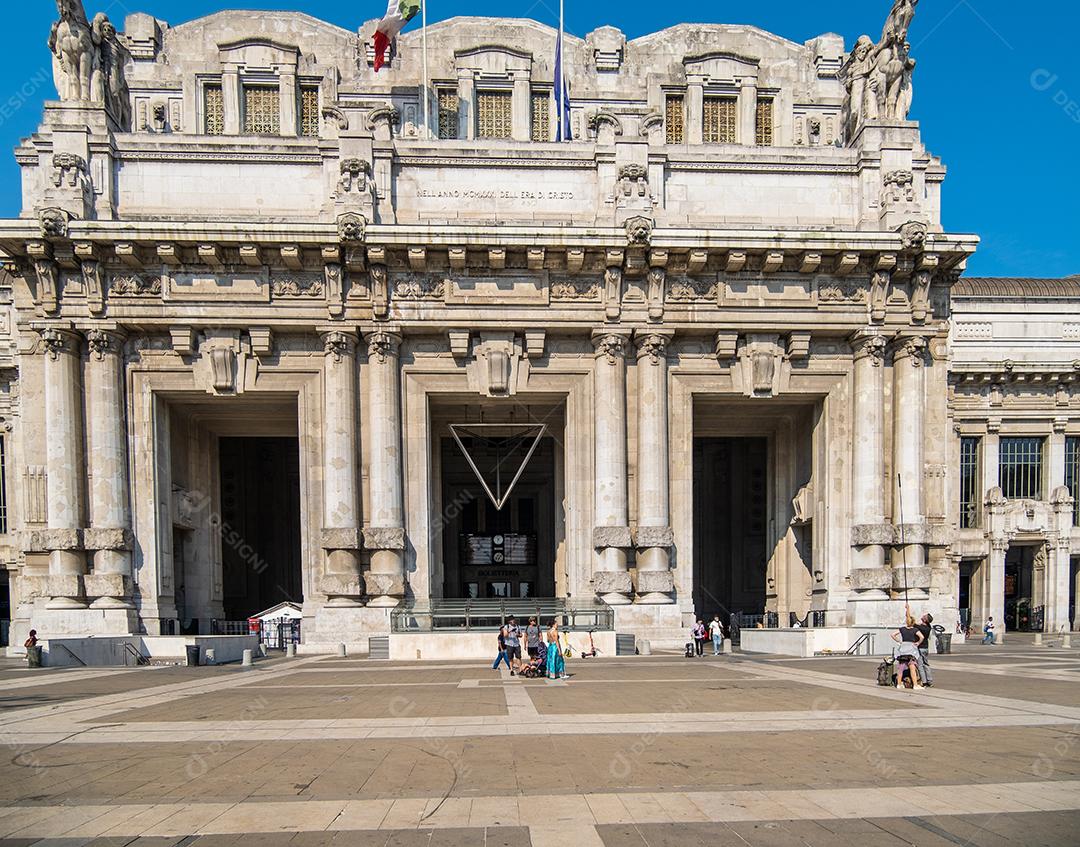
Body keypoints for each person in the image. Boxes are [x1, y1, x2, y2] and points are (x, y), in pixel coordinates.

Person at [891, 621, 924, 689]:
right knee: (912, 667)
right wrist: (918, 642)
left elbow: (892, 634)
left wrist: (899, 641)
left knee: (901, 669)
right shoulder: (915, 630)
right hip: (911, 649)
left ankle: (899, 684)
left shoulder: (902, 629)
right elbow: (922, 637)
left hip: (903, 649)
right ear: (913, 622)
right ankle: (915, 685)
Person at [913, 609, 935, 687]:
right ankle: (930, 681)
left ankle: (924, 681)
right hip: (925, 648)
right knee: (926, 664)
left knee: (920, 665)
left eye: (924, 616)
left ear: (925, 620)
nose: (922, 616)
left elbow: (912, 623)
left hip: (920, 647)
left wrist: (907, 610)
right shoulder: (928, 627)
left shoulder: (921, 628)